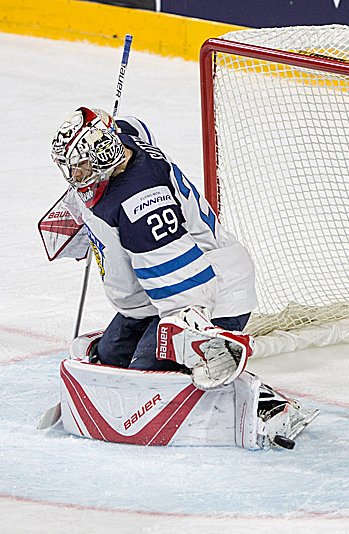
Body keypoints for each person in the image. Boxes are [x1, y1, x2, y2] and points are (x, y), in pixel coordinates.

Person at [48, 107, 317, 446]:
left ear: (104, 155)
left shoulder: (141, 205)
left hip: (214, 289)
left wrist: (190, 337)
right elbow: (134, 127)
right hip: (154, 295)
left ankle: (266, 405)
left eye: (81, 165)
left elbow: (191, 289)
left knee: (146, 381)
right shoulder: (124, 142)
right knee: (109, 359)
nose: (74, 175)